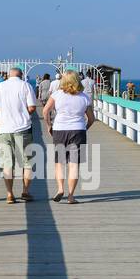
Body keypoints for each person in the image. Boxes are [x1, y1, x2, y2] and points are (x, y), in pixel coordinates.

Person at [41, 70, 94, 204]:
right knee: (74, 164)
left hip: (60, 130)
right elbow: (91, 118)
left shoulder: (57, 94)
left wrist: (48, 125)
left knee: (60, 163)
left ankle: (60, 189)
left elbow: (45, 110)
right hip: (78, 131)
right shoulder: (84, 97)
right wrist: (84, 128)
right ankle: (71, 196)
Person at [0, 67, 37, 204]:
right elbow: (32, 107)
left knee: (7, 163)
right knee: (27, 163)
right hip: (23, 128)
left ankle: (9, 194)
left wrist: (5, 112)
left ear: (8, 75)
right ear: (21, 75)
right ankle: (25, 192)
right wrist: (22, 113)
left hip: (5, 129)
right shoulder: (26, 85)